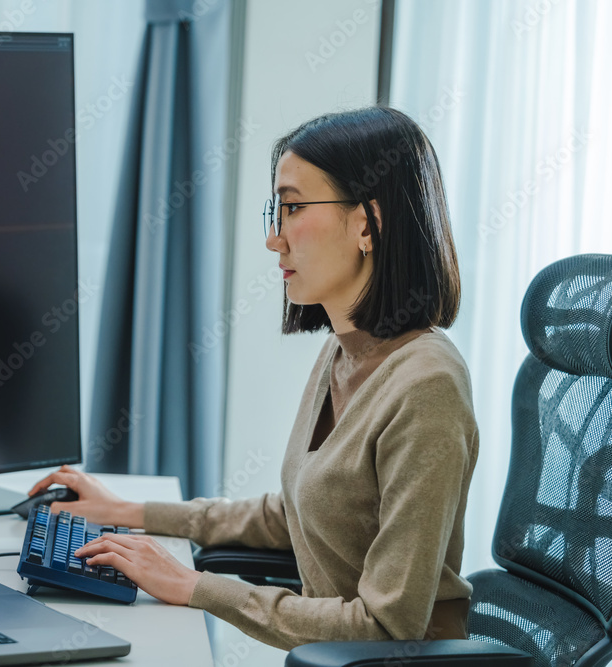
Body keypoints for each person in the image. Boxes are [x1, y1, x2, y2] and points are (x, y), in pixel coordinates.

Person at [29, 106, 477, 650]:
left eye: (292, 209)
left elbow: (384, 627)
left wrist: (194, 586)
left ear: (367, 222)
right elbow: (292, 516)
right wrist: (123, 511)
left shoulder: (427, 387)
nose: (275, 239)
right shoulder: (345, 350)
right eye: (277, 211)